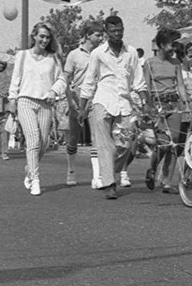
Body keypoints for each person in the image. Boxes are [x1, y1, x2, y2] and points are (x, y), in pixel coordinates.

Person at [79, 15, 146, 200]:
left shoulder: (131, 53)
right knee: (104, 145)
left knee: (126, 144)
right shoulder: (98, 53)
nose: (117, 34)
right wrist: (82, 108)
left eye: (120, 30)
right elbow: (90, 81)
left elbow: (139, 82)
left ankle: (109, 169)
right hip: (102, 101)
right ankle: (109, 183)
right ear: (106, 33)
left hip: (124, 103)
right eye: (113, 31)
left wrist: (145, 102)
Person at [8, 22, 68, 197]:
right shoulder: (22, 55)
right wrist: (12, 98)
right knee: (33, 139)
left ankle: (29, 168)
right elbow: (15, 78)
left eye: (47, 37)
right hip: (25, 100)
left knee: (43, 143)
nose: (44, 40)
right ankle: (35, 179)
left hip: (45, 103)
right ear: (34, 36)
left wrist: (53, 91)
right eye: (41, 36)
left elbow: (62, 80)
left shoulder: (53, 58)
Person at [143, 28, 190, 194]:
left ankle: (166, 181)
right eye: (171, 44)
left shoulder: (176, 63)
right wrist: (148, 106)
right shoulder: (149, 63)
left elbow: (181, 85)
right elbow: (147, 86)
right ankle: (152, 168)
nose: (174, 47)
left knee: (174, 142)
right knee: (163, 144)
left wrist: (186, 103)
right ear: (162, 45)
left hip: (174, 104)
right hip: (158, 106)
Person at [63, 21, 104, 186]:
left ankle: (97, 176)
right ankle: (71, 169)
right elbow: (66, 79)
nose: (101, 38)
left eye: (102, 35)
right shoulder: (74, 54)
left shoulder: (101, 53)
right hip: (77, 98)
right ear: (88, 36)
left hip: (95, 98)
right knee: (73, 138)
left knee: (96, 137)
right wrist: (70, 101)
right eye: (97, 35)